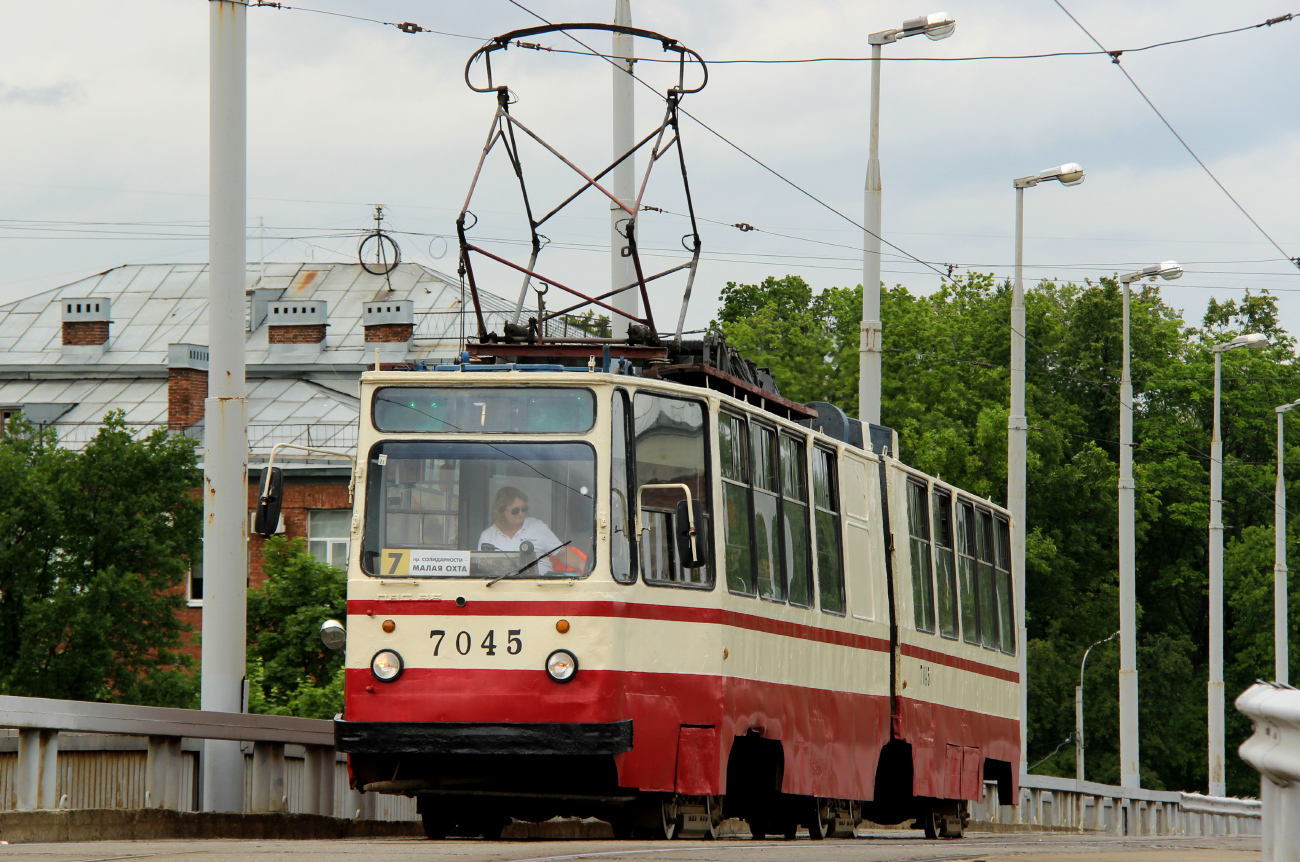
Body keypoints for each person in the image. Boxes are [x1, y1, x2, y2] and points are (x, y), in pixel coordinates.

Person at [478, 487, 585, 574]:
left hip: (540, 591)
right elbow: (482, 569)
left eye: (524, 509)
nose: (521, 513)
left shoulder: (538, 527)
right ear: (501, 511)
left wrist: (584, 567)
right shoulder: (487, 536)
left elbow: (562, 553)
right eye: (515, 510)